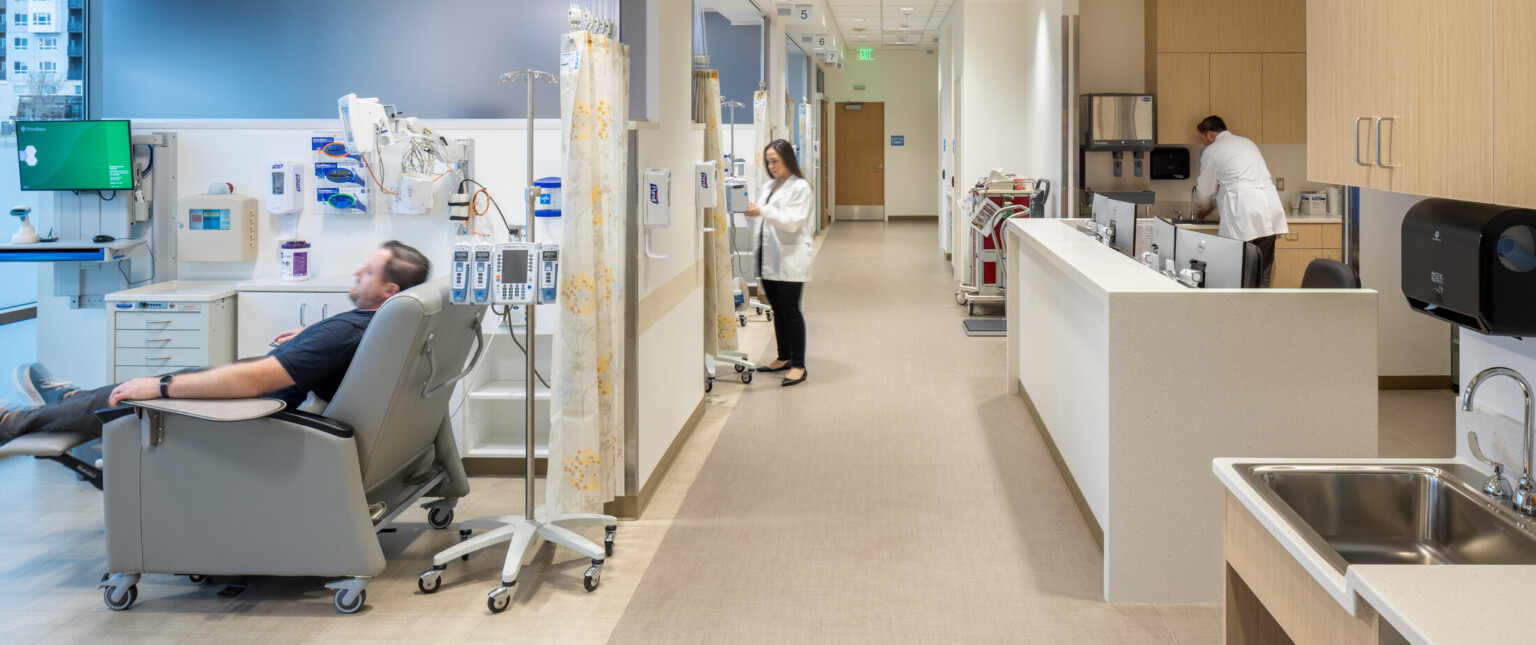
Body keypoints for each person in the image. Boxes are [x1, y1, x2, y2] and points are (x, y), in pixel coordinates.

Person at [1, 240, 431, 443]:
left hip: (249, 407)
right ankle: (69, 397)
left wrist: (164, 388)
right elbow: (334, 348)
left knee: (133, 394)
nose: (358, 272)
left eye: (369, 272)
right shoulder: (386, 324)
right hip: (263, 394)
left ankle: (14, 424)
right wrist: (310, 335)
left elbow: (253, 382)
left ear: (389, 291)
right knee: (137, 384)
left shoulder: (345, 334)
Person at [745, 139, 814, 387]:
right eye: (768, 161)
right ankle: (784, 357)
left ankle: (799, 365)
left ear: (787, 159)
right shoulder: (769, 186)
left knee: (791, 311)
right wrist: (752, 213)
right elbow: (763, 221)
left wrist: (763, 211)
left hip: (790, 258)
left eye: (775, 160)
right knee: (778, 310)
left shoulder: (801, 187)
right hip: (768, 257)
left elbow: (793, 221)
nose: (771, 165)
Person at [1191, 115, 1289, 288]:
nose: (1203, 143)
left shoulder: (1212, 151)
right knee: (1263, 271)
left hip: (1244, 212)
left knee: (1239, 271)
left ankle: (1241, 311)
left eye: (1203, 138)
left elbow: (1205, 187)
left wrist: (1205, 206)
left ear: (1211, 135)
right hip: (1270, 207)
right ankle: (1259, 311)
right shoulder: (1247, 142)